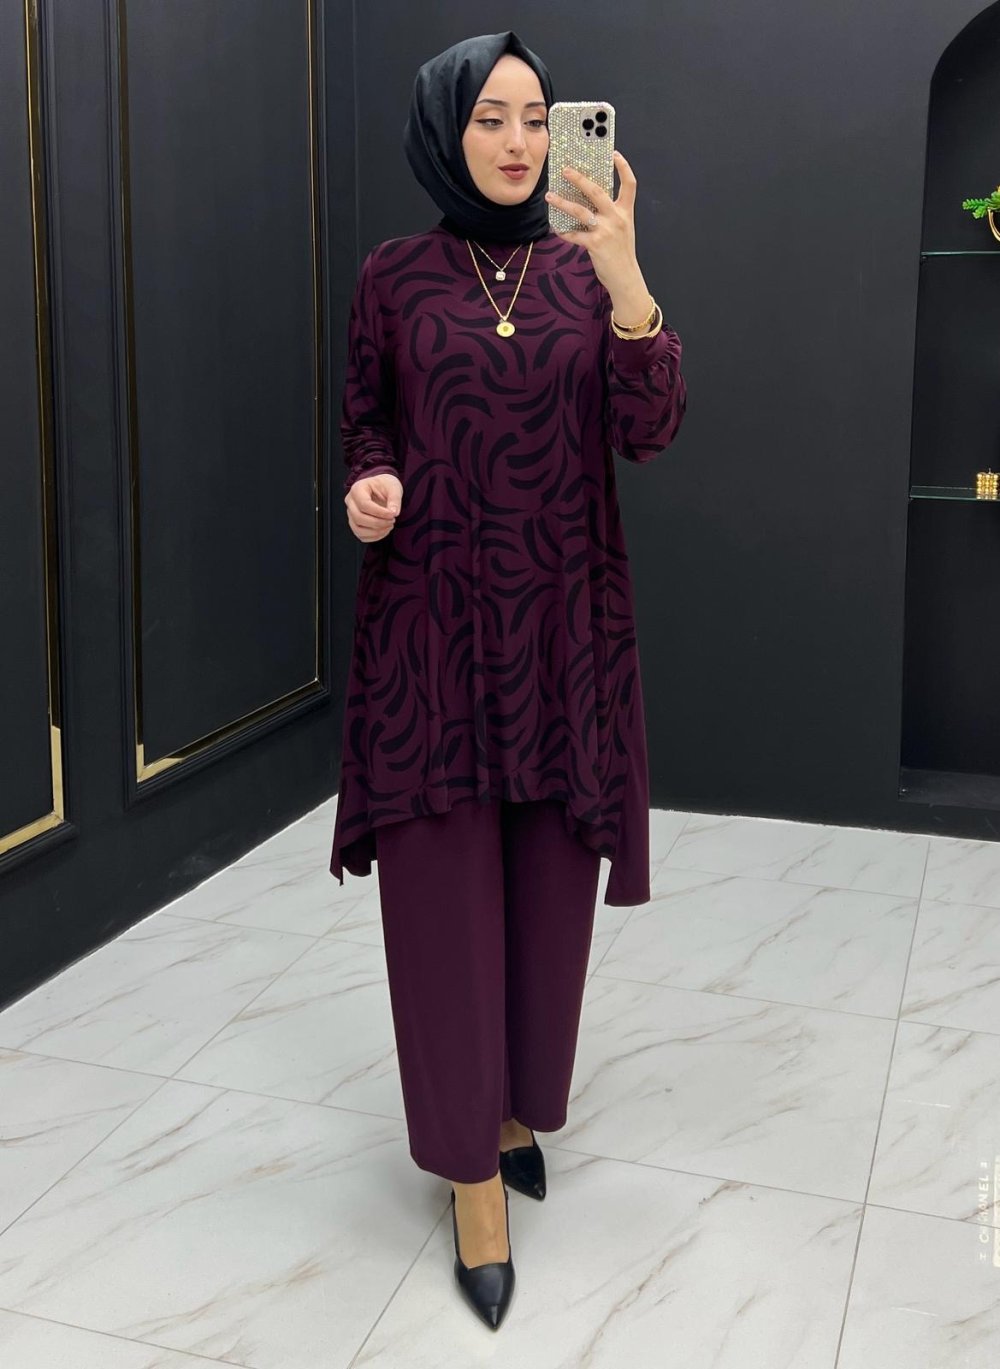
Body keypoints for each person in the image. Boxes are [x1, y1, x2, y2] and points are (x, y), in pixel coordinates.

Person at [328, 30, 687, 1330]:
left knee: (545, 905)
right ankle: (472, 1184)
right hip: (429, 647)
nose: (522, 141)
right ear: (445, 128)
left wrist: (629, 277)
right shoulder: (391, 276)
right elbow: (365, 420)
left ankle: (516, 1109)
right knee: (441, 919)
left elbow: (650, 428)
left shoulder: (589, 271)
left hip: (562, 641)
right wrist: (370, 486)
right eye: (491, 116)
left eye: (538, 116)